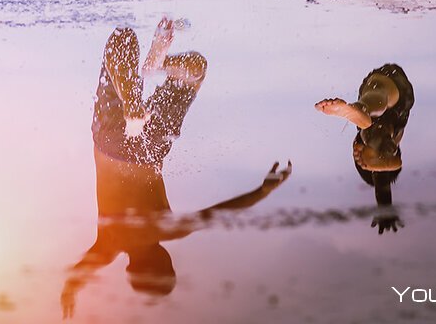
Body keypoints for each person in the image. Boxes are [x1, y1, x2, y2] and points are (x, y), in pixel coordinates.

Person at [61, 22, 292, 317]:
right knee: (121, 40)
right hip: (111, 145)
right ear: (130, 268)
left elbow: (221, 212)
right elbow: (80, 273)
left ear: (167, 260)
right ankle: (132, 98)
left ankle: (153, 70)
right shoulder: (110, 245)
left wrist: (263, 190)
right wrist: (71, 287)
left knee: (195, 69)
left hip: (151, 147)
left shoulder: (169, 230)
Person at [315, 63, 414, 233]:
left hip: (375, 92)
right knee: (374, 119)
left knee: (371, 116)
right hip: (398, 95)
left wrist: (385, 210)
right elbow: (382, 183)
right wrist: (385, 207)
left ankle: (360, 109)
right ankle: (361, 110)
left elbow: (382, 181)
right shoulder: (392, 138)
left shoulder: (363, 137)